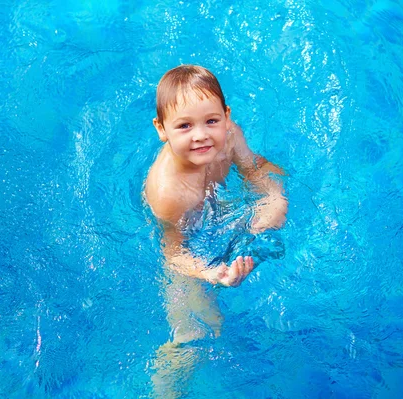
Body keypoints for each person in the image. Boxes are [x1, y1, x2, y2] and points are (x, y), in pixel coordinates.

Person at [144, 65, 287, 397]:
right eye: (184, 126)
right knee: (198, 334)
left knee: (272, 237)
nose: (201, 135)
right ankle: (164, 390)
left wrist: (271, 204)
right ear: (161, 129)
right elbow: (175, 256)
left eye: (211, 121)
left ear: (226, 115)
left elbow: (258, 173)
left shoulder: (230, 136)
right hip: (184, 235)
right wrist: (209, 274)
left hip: (218, 210)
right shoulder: (168, 193)